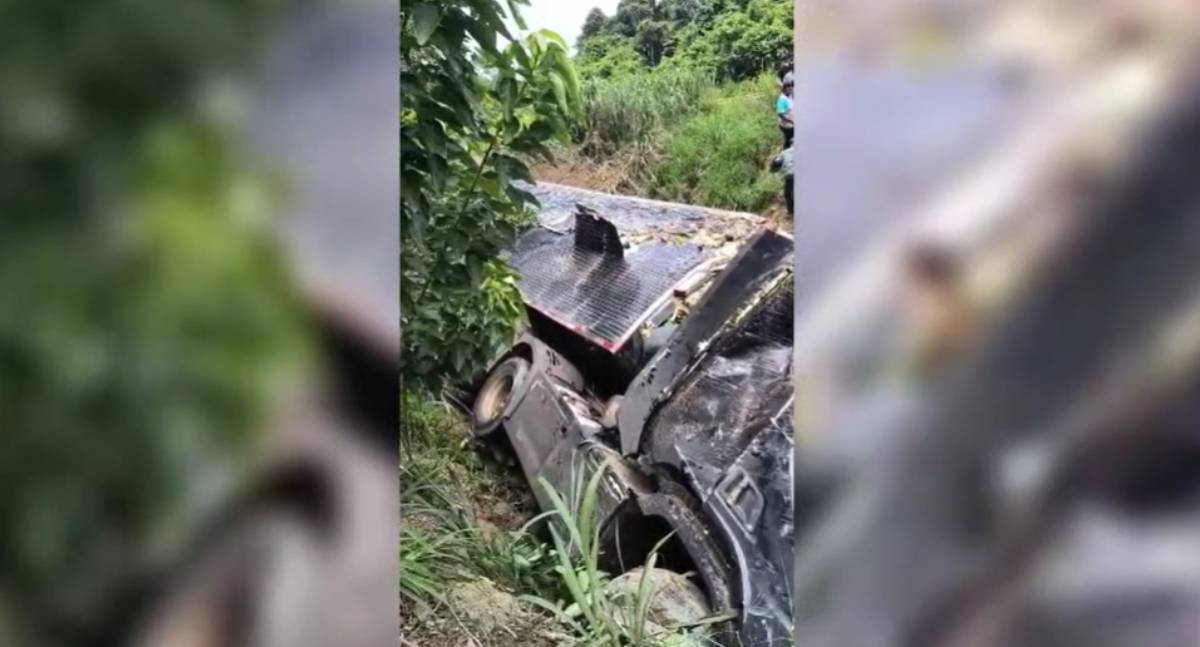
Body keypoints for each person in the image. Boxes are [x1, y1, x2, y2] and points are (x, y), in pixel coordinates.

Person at [770, 144, 794, 218]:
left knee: (788, 193)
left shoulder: (784, 153)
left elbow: (777, 163)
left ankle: (791, 211)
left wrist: (773, 163)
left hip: (790, 175)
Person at [777, 76, 794, 147]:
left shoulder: (788, 96)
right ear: (784, 89)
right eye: (789, 88)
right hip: (786, 125)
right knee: (789, 141)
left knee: (790, 140)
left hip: (791, 123)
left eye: (791, 87)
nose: (791, 89)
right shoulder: (782, 99)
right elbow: (780, 114)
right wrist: (791, 121)